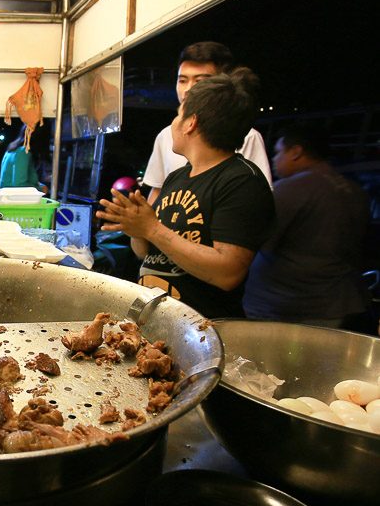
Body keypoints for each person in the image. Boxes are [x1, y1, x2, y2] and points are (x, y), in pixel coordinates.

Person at [97, 68, 274, 318]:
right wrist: (135, 228)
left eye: (178, 115)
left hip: (204, 332)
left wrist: (152, 229)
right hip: (156, 322)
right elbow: (146, 253)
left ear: (191, 123)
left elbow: (228, 273)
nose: (173, 123)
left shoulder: (242, 181)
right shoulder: (177, 178)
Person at [244, 121, 371, 330]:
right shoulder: (353, 190)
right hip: (336, 306)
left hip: (289, 310)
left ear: (295, 152)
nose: (274, 160)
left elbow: (253, 243)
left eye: (278, 153)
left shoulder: (292, 189)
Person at [142, 42, 272, 205]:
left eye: (200, 80)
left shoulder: (247, 136)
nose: (188, 89)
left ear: (222, 83)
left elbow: (256, 199)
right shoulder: (166, 136)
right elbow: (158, 190)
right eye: (182, 80)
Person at [0, 126, 46, 191]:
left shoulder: (12, 149)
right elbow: (20, 185)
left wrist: (37, 184)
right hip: (16, 200)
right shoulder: (23, 152)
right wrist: (40, 189)